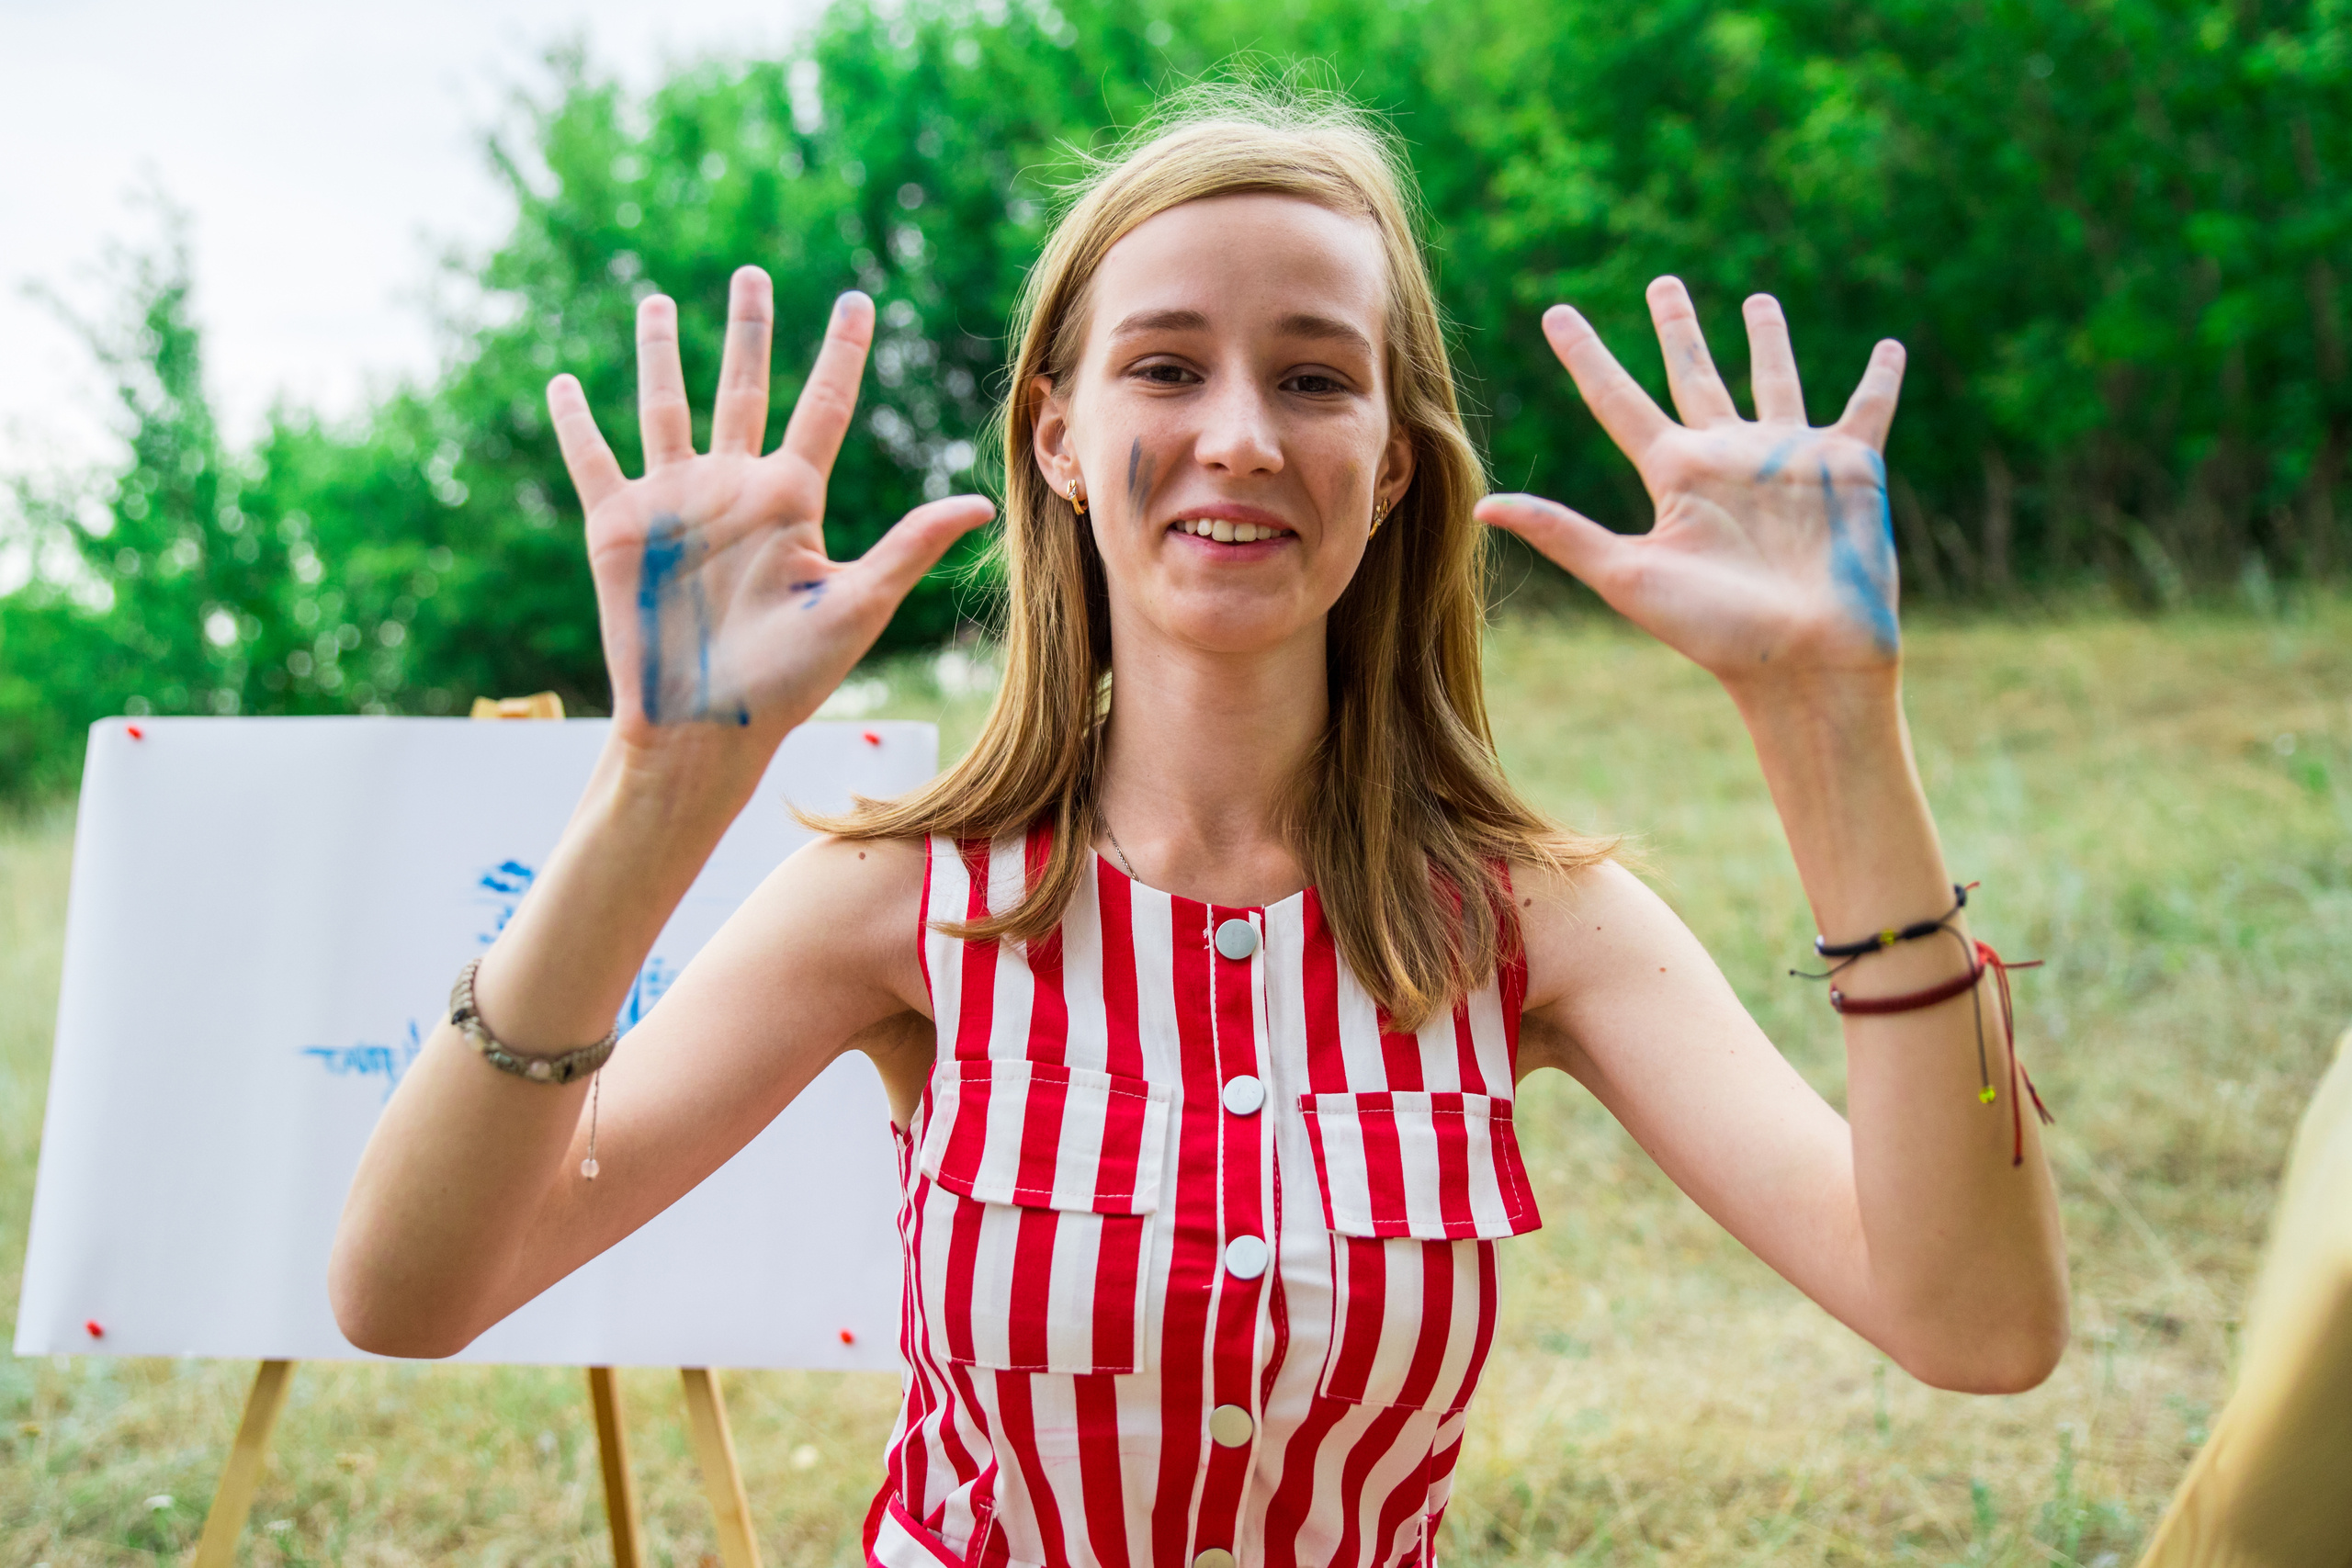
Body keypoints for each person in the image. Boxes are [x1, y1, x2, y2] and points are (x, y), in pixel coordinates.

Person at [330, 90, 2069, 1568]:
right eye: (1166, 367)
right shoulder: (902, 903)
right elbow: (411, 1294)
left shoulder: (1529, 920)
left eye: (1317, 380)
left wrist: (1837, 728)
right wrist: (657, 788)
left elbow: (1975, 1326)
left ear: (1392, 464)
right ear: (1062, 439)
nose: (1239, 437)